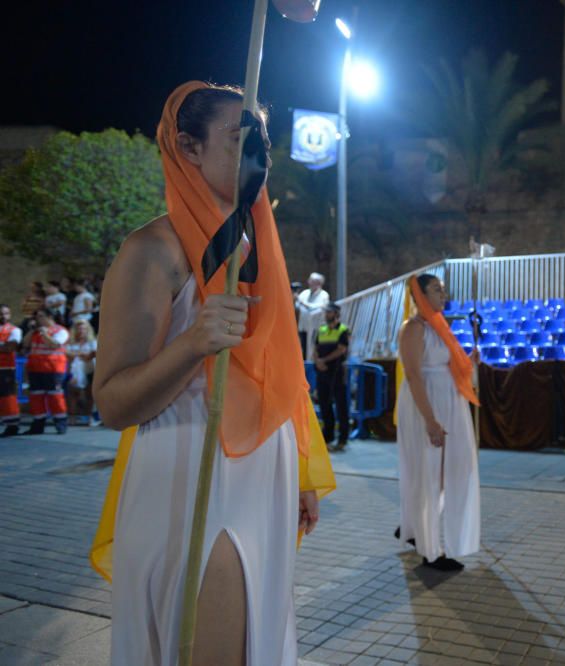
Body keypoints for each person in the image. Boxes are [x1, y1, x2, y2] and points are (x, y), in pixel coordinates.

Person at [89, 81, 335, 666]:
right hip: (192, 477)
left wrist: (299, 465)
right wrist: (194, 342)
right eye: (241, 137)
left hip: (263, 481)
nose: (262, 153)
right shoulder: (152, 250)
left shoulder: (256, 250)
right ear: (188, 147)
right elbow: (114, 402)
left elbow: (281, 377)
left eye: (266, 140)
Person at [396, 273, 481, 572]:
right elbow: (415, 375)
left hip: (448, 402)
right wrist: (430, 420)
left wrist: (470, 361)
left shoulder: (440, 327)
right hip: (426, 404)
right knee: (431, 473)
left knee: (446, 473)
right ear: (419, 295)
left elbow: (449, 366)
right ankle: (430, 549)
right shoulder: (413, 329)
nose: (443, 295)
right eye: (435, 290)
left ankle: (416, 526)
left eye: (443, 290)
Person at [25, 308, 69, 435]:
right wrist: (32, 331)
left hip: (53, 369)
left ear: (50, 317)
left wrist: (45, 334)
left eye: (40, 316)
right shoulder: (35, 331)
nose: (38, 319)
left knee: (55, 397)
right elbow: (25, 344)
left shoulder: (60, 331)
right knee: (36, 396)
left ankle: (60, 423)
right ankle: (38, 425)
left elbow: (54, 344)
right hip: (35, 369)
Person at [314, 303, 351, 449]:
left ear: (336, 313)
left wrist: (324, 360)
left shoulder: (343, 330)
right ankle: (327, 436)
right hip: (322, 371)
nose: (326, 315)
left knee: (341, 405)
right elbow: (316, 348)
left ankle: (342, 438)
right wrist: (317, 361)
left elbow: (341, 350)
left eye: (329, 312)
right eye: (326, 312)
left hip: (336, 371)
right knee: (324, 404)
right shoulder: (321, 330)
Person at [65, 319, 98, 425]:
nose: (81, 330)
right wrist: (82, 354)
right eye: (78, 328)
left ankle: (89, 417)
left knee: (90, 394)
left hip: (89, 370)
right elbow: (67, 354)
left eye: (84, 328)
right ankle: (72, 417)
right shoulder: (70, 342)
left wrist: (77, 354)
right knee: (72, 393)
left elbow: (93, 354)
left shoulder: (93, 342)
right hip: (73, 371)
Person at [0, 304, 22, 437]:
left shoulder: (15, 330)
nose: (3, 316)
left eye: (6, 313)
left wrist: (6, 346)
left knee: (8, 398)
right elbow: (5, 347)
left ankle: (12, 425)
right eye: (1, 313)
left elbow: (10, 347)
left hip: (6, 369)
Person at [296, 273, 329, 361]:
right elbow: (298, 305)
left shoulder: (324, 295)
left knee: (314, 349)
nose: (310, 283)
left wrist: (305, 304)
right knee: (303, 349)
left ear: (319, 283)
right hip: (303, 327)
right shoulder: (304, 293)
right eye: (310, 280)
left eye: (313, 281)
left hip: (316, 328)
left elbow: (320, 307)